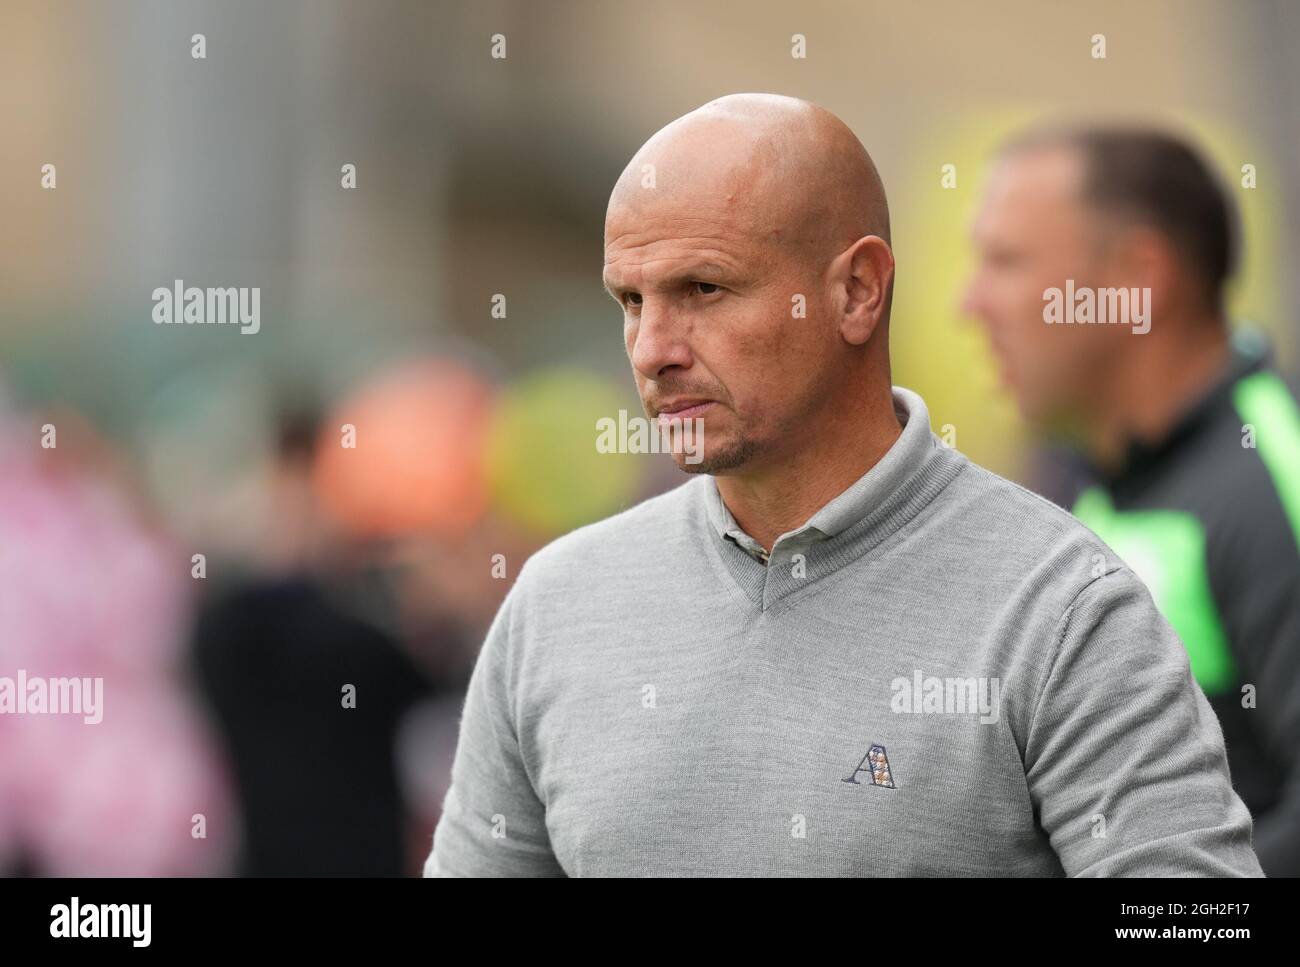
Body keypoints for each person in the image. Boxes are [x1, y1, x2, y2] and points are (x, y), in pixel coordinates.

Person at [427, 94, 1262, 876]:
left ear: (857, 291)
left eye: (703, 290)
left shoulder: (1063, 608)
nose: (652, 348)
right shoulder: (555, 604)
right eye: (631, 299)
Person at [963, 125, 1300, 876]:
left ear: (1137, 279)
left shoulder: (1275, 475)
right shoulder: (1080, 482)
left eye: (1007, 262)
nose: (970, 304)